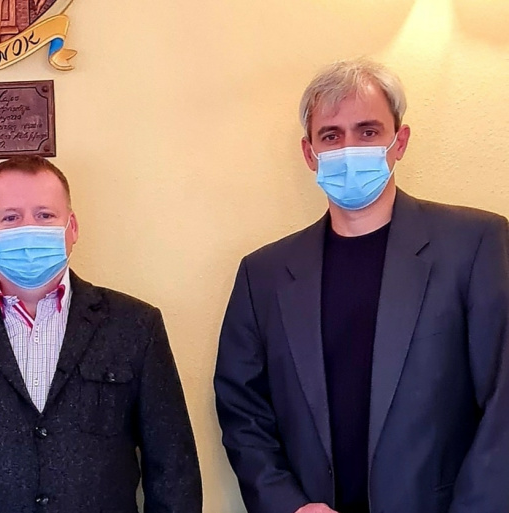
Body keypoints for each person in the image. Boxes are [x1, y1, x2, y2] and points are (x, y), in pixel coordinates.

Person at [214, 58, 509, 513]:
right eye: (331, 136)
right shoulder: (264, 274)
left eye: (368, 131)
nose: (349, 148)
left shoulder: (475, 245)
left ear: (399, 141)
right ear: (310, 153)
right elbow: (242, 410)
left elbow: (503, 405)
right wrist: (289, 505)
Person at [0, 156, 202, 513]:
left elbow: (174, 472)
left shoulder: (136, 326)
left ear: (72, 228)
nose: (28, 229)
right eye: (10, 218)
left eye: (45, 215)